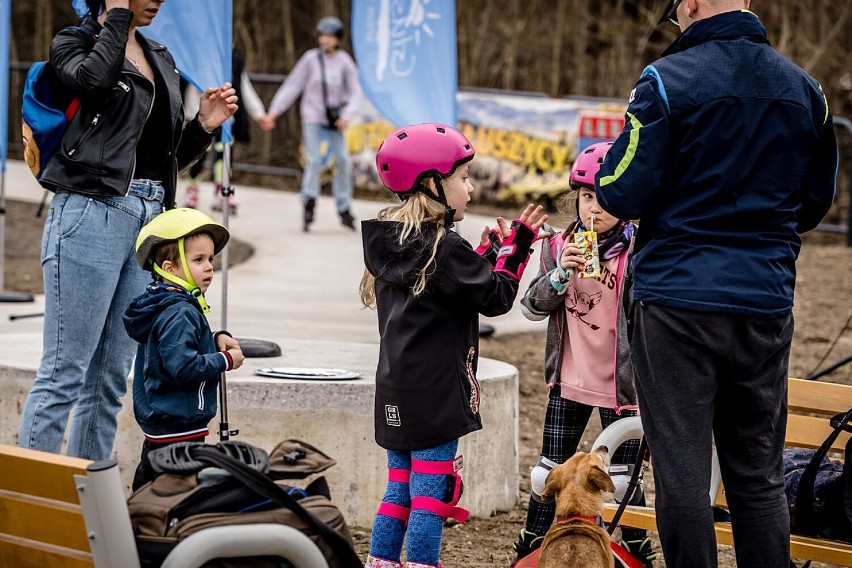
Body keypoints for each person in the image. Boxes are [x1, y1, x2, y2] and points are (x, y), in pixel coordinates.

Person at [595, 2, 838, 567]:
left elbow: (619, 190)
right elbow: (816, 202)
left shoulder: (663, 81)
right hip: (763, 300)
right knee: (756, 475)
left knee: (681, 474)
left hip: (676, 301)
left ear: (691, 6)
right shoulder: (806, 90)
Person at [18, 0, 238, 461]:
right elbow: (92, 83)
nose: (156, 1)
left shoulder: (160, 54)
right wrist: (116, 15)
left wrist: (202, 125)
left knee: (109, 379)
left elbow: (163, 154)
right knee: (65, 372)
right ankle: (31, 505)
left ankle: (89, 502)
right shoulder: (74, 42)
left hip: (149, 222)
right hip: (91, 211)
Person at [360, 123, 548, 568]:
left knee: (398, 490)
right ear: (432, 183)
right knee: (430, 497)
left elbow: (449, 291)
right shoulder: (444, 247)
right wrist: (518, 248)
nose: (471, 186)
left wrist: (484, 256)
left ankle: (381, 563)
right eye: (463, 177)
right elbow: (497, 297)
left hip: (395, 392)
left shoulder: (394, 242)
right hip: (436, 395)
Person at [510, 142, 654, 567]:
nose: (595, 208)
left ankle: (636, 550)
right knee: (547, 472)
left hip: (622, 387)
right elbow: (531, 309)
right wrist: (559, 275)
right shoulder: (557, 246)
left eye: (607, 197)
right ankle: (532, 547)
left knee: (624, 479)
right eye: (588, 196)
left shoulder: (639, 248)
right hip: (570, 380)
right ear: (575, 198)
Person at [125, 208, 244, 490]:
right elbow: (183, 367)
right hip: (179, 426)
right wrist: (225, 359)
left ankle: (138, 521)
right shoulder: (181, 312)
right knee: (174, 491)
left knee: (151, 481)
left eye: (211, 259)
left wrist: (214, 339)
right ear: (169, 268)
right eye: (198, 259)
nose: (209, 267)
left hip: (164, 422)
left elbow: (172, 348)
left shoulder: (164, 304)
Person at [258, 16, 362, 233]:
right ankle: (309, 202)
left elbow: (355, 93)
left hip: (335, 120)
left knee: (343, 160)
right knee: (314, 160)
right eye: (322, 36)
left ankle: (344, 208)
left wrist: (347, 115)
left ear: (337, 39)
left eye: (329, 36)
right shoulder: (310, 59)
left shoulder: (344, 62)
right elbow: (292, 86)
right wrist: (274, 111)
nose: (324, 40)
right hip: (312, 116)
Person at [183, 48, 268, 214]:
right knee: (197, 156)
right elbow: (184, 89)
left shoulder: (231, 64)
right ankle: (192, 189)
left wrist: (259, 114)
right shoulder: (193, 60)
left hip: (226, 119)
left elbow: (244, 89)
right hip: (197, 118)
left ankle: (224, 191)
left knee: (224, 157)